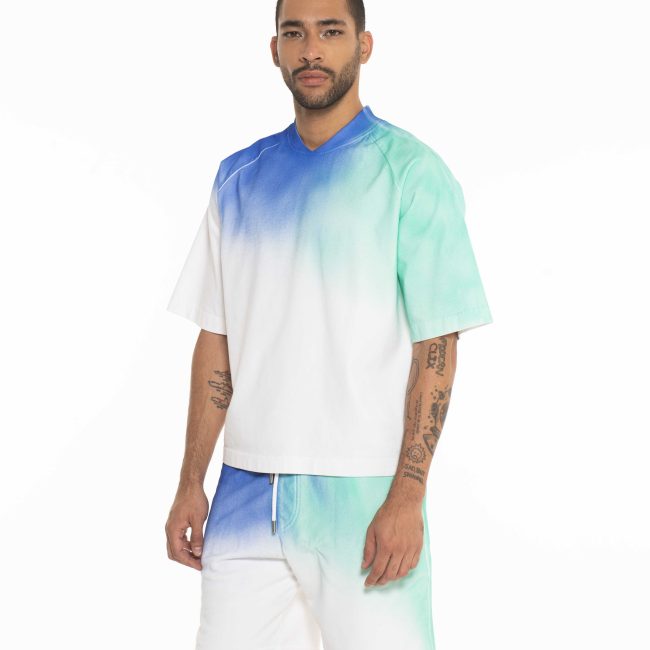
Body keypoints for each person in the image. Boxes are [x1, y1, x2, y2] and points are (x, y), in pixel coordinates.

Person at [164, 0, 493, 648]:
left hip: (363, 495)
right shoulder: (238, 178)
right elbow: (217, 339)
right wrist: (189, 482)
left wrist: (407, 495)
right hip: (246, 494)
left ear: (363, 46)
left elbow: (437, 345)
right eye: (295, 33)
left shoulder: (411, 174)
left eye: (331, 32)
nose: (311, 49)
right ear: (275, 50)